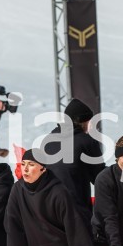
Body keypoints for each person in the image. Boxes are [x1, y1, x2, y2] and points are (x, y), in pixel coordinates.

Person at [41, 98, 106, 235]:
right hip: (77, 211)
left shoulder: (47, 140)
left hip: (48, 210)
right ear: (82, 121)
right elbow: (100, 178)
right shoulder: (87, 141)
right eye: (89, 121)